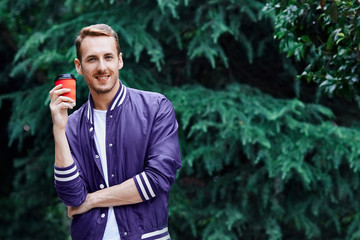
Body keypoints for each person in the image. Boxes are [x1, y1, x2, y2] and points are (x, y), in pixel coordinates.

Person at [49, 23, 181, 240]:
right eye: (92, 59)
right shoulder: (70, 125)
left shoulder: (156, 107)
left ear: (119, 60)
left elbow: (158, 178)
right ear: (79, 66)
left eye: (108, 57)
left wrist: (91, 200)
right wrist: (59, 130)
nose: (102, 67)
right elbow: (73, 197)